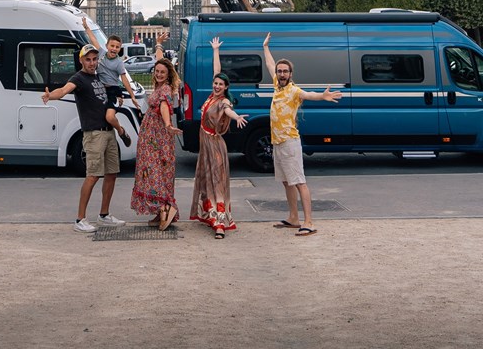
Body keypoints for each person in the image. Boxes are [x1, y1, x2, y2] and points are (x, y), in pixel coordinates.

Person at [43, 43, 132, 232]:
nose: (92, 63)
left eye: (94, 59)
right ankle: (80, 219)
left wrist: (119, 97)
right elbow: (65, 90)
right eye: (88, 59)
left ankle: (104, 215)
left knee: (112, 174)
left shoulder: (98, 76)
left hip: (108, 132)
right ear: (81, 60)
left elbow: (110, 91)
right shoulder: (79, 78)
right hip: (93, 134)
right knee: (92, 176)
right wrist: (51, 95)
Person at [262, 33, 342, 236]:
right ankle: (293, 218)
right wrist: (265, 48)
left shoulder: (294, 91)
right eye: (280, 71)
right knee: (286, 181)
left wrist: (323, 96)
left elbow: (309, 95)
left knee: (298, 181)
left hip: (289, 142)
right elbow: (270, 65)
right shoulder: (276, 86)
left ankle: (309, 221)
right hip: (277, 142)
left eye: (285, 71)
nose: (281, 74)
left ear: (290, 74)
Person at [191, 37, 249, 239]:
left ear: (226, 87)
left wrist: (237, 117)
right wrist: (215, 50)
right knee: (208, 180)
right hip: (205, 144)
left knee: (217, 182)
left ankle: (220, 223)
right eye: (215, 83)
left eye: (220, 84)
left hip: (214, 145)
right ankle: (212, 216)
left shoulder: (223, 101)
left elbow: (228, 110)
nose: (216, 86)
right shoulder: (212, 96)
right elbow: (217, 70)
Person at [130, 48, 180, 229]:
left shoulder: (165, 89)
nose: (159, 74)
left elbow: (164, 105)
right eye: (157, 71)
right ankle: (161, 213)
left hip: (157, 139)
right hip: (152, 137)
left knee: (155, 173)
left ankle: (166, 208)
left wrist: (167, 124)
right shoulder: (161, 86)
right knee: (155, 172)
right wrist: (159, 47)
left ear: (168, 76)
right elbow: (162, 63)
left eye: (162, 73)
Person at [81, 16, 142, 113]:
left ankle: (119, 128)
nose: (114, 48)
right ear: (106, 46)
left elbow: (124, 79)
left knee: (109, 116)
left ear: (120, 49)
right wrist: (86, 28)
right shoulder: (101, 53)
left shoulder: (119, 63)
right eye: (112, 46)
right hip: (101, 89)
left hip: (113, 90)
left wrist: (132, 96)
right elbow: (94, 40)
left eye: (117, 47)